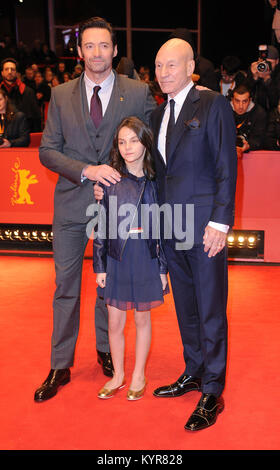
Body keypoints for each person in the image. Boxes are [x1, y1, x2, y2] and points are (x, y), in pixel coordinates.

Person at [94, 38, 237, 430]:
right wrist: (108, 185)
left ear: (190, 66)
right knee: (186, 308)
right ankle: (193, 370)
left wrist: (220, 222)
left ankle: (212, 388)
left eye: (172, 65)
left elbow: (226, 164)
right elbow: (146, 170)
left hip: (205, 228)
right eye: (158, 66)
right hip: (169, 228)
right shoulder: (156, 117)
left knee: (210, 308)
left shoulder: (212, 105)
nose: (163, 73)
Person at [34, 16, 156, 403]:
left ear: (115, 51)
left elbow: (153, 143)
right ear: (80, 51)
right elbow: (47, 151)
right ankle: (60, 363)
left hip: (121, 210)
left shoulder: (137, 92)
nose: (97, 53)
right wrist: (86, 170)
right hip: (71, 204)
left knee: (111, 286)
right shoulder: (60, 94)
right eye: (89, 46)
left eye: (104, 45)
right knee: (65, 285)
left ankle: (108, 352)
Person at [94, 116, 168, 400]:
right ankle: (118, 375)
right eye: (122, 142)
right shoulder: (110, 179)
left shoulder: (156, 181)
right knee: (114, 321)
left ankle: (139, 374)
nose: (128, 147)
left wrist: (163, 268)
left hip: (146, 256)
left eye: (134, 140)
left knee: (141, 319)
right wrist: (100, 266)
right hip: (117, 257)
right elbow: (101, 226)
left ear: (146, 142)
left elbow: (163, 229)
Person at [0, 58, 41, 132]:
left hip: (23, 136)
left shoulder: (28, 92)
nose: (9, 72)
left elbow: (36, 118)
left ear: (16, 73)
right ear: (2, 72)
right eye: (6, 69)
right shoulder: (0, 92)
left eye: (12, 69)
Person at [231, 83, 267, 157]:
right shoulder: (223, 111)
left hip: (252, 155)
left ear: (250, 100)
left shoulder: (259, 113)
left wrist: (249, 146)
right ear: (232, 100)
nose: (241, 106)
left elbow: (259, 139)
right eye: (237, 101)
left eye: (244, 101)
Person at [247, 44, 280, 112]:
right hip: (255, 113)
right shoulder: (255, 69)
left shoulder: (278, 75)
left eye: (270, 63)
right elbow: (244, 93)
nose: (266, 65)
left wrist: (267, 79)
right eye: (264, 62)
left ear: (277, 61)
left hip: (272, 115)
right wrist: (254, 78)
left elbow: (275, 102)